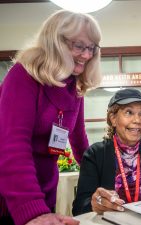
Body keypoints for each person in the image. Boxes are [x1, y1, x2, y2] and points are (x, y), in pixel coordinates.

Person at [0, 10, 102, 225]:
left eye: (91, 47)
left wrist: (100, 179)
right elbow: (12, 146)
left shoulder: (74, 87)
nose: (87, 55)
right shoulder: (23, 76)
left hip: (44, 192)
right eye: (79, 46)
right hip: (13, 196)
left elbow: (79, 140)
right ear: (55, 41)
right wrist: (33, 211)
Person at [72, 88, 141, 216]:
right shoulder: (94, 153)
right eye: (129, 112)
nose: (137, 120)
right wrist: (94, 204)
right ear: (113, 119)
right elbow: (79, 208)